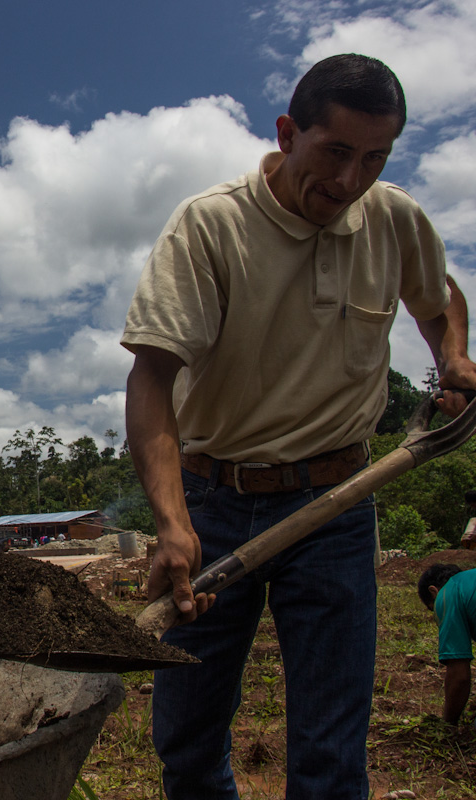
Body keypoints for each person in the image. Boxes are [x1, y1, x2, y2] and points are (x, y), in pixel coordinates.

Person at [121, 53, 476, 798]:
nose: (350, 182)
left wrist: (455, 354)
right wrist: (173, 524)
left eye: (374, 158)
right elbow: (152, 379)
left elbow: (438, 294)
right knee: (187, 741)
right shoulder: (211, 225)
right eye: (336, 153)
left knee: (330, 755)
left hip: (339, 504)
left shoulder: (393, 217)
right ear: (288, 133)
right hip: (214, 506)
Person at [418, 564, 476, 725]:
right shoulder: (470, 584)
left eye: (433, 609)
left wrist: (447, 725)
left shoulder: (447, 593)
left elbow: (460, 675)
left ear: (433, 591)